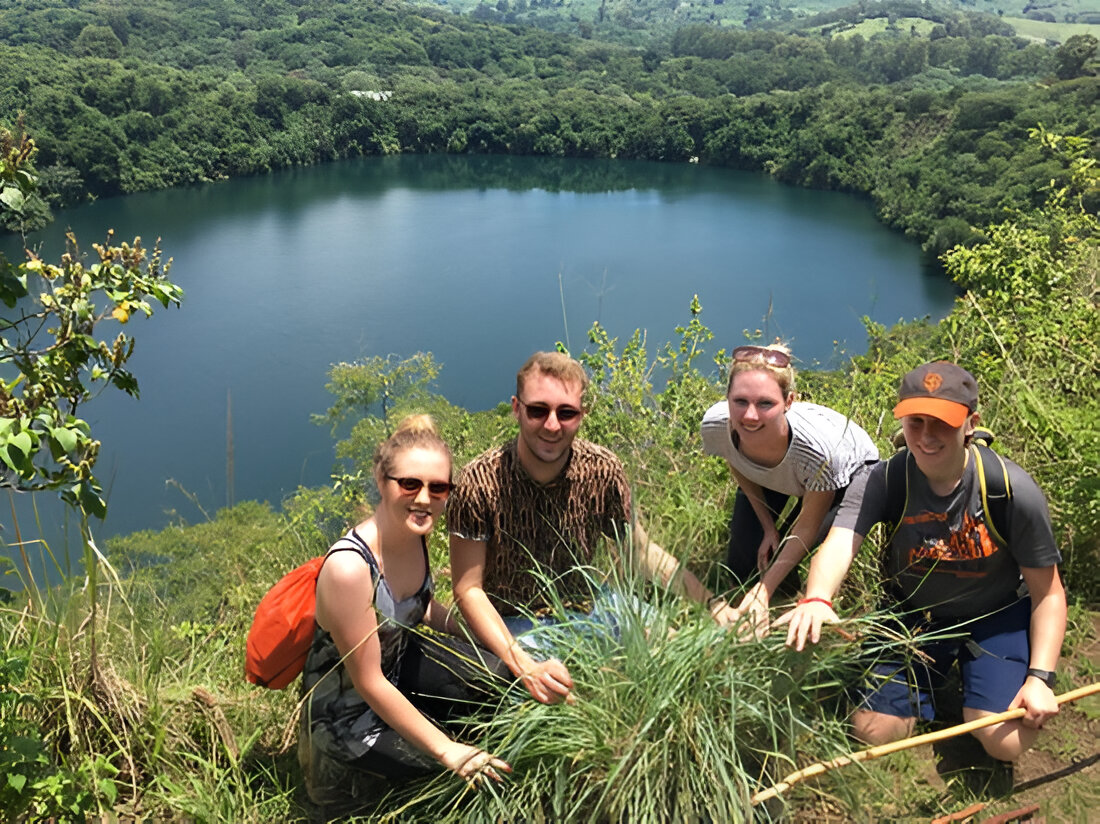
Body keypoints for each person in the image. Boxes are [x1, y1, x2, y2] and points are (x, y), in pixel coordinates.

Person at [778, 361, 1066, 761]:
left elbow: (1048, 593)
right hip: (914, 614)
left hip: (996, 615)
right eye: (916, 422)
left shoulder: (1009, 489)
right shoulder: (885, 480)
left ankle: (982, 681)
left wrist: (1040, 678)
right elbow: (841, 541)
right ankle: (932, 685)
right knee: (874, 733)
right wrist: (817, 598)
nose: (927, 437)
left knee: (1007, 744)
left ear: (971, 423)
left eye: (943, 423)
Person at [448, 351, 738, 705]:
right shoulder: (478, 482)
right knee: (565, 700)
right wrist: (521, 663)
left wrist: (712, 604)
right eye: (538, 410)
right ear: (516, 408)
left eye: (566, 412)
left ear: (582, 415)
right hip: (515, 622)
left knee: (686, 660)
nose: (552, 425)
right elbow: (468, 590)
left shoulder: (602, 470)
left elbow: (640, 553)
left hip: (592, 604)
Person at [298, 415, 511, 807]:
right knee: (457, 784)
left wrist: (486, 638)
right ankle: (347, 784)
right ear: (382, 480)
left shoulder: (416, 533)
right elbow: (369, 682)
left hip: (397, 668)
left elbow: (420, 605)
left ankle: (431, 728)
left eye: (438, 487)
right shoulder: (351, 568)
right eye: (409, 484)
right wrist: (448, 751)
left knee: (496, 675)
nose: (425, 498)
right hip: (346, 718)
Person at [701, 343, 878, 634]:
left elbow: (806, 526)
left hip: (846, 472)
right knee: (744, 566)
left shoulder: (820, 453)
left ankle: (787, 618)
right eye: (740, 401)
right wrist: (768, 527)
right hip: (780, 468)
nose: (750, 416)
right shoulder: (716, 426)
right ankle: (752, 609)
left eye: (766, 403)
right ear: (727, 399)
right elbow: (738, 464)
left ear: (789, 401)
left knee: (781, 568)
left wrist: (764, 591)